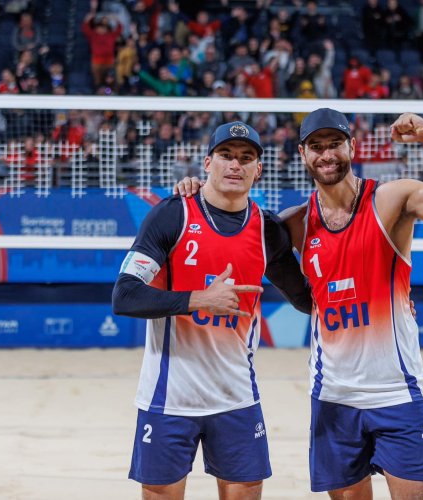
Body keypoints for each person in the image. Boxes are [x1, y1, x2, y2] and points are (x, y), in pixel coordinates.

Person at [176, 109, 423, 499]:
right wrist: (193, 188)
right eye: (316, 147)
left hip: (397, 393)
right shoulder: (295, 223)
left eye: (334, 144)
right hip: (334, 397)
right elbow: (229, 217)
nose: (326, 154)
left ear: (352, 147)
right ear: (304, 155)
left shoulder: (389, 200)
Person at [111, 121, 312, 500]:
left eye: (246, 158)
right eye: (226, 155)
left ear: (258, 169)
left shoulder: (267, 230)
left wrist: (386, 296)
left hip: (235, 396)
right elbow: (124, 296)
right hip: (169, 398)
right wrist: (197, 299)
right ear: (207, 162)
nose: (235, 165)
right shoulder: (172, 214)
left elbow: (306, 300)